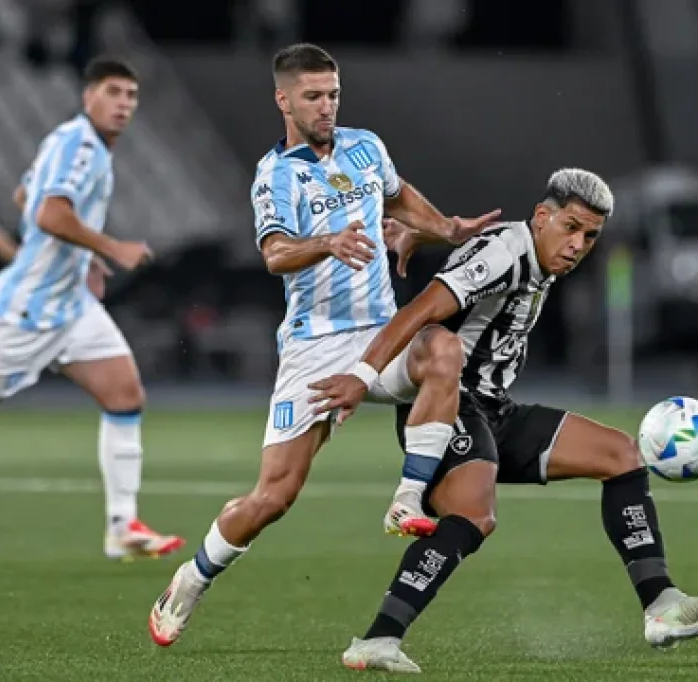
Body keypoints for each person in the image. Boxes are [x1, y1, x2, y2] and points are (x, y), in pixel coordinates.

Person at [310, 168, 698, 673]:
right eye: (571, 227)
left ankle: (662, 605)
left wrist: (422, 230)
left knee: (622, 456)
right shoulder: (507, 253)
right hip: (448, 405)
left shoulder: (532, 255)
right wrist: (362, 376)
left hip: (495, 407)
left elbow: (471, 244)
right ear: (542, 218)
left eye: (590, 236)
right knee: (474, 516)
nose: (578, 244)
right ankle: (378, 639)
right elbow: (420, 310)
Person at [147, 43, 498, 647]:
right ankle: (193, 577)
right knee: (274, 497)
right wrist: (329, 241)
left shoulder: (365, 145)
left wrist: (444, 227)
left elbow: (395, 192)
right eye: (313, 96)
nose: (327, 106)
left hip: (380, 338)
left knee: (443, 349)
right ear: (283, 100)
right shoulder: (275, 176)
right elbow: (275, 252)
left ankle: (407, 498)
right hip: (314, 348)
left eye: (333, 93)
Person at [0, 55, 184, 560]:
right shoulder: (78, 144)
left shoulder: (78, 146)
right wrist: (109, 248)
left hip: (71, 305)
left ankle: (123, 527)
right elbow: (48, 210)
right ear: (89, 96)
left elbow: (24, 195)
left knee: (125, 394)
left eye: (131, 96)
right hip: (29, 311)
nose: (123, 104)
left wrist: (81, 258)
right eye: (113, 93)